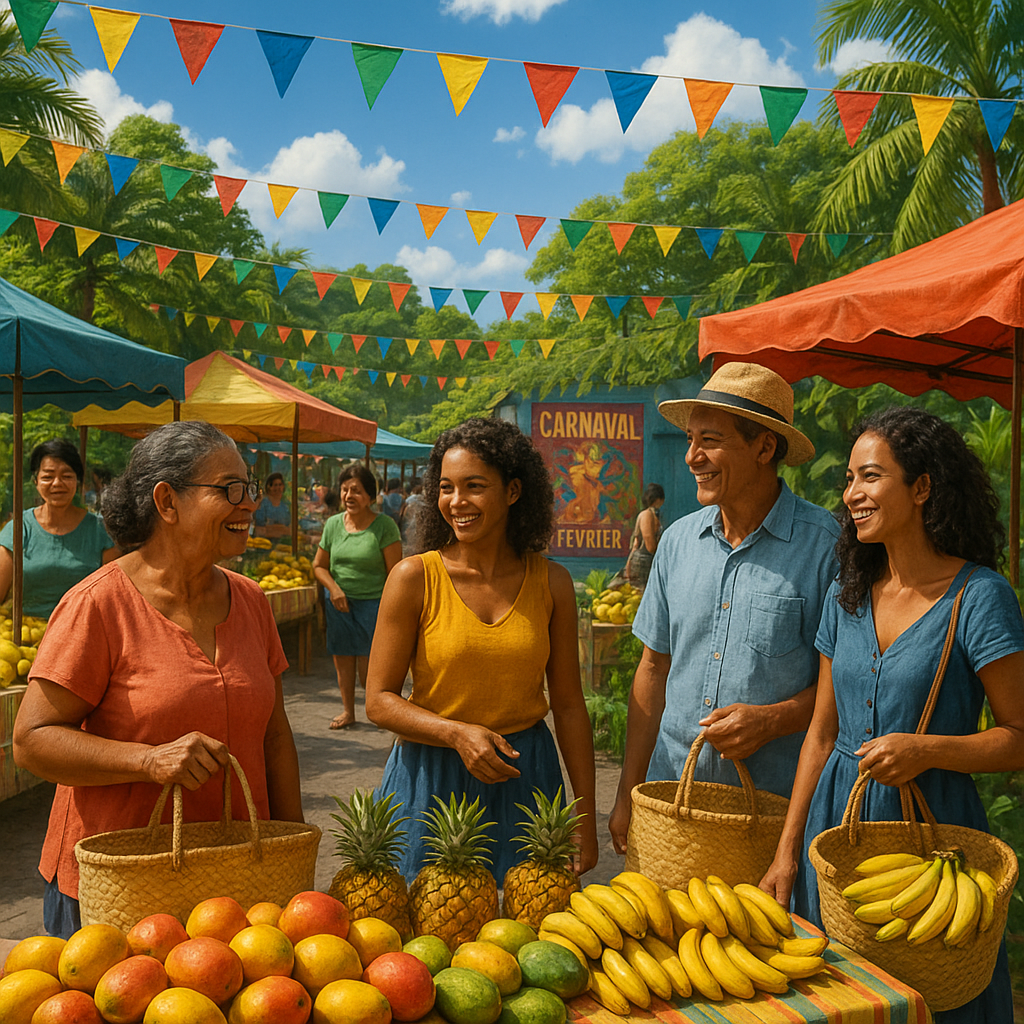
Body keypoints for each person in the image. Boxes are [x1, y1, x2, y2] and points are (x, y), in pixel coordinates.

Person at [760, 407, 1024, 1024]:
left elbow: (1018, 737)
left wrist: (928, 749)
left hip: (932, 840)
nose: (851, 494)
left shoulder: (979, 598)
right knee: (838, 999)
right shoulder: (846, 595)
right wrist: (786, 850)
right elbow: (822, 733)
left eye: (871, 476)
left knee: (933, 994)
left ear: (922, 486)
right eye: (849, 478)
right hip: (836, 826)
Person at [12, 421, 304, 938]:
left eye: (250, 487)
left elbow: (275, 737)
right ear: (167, 502)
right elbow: (32, 741)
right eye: (230, 489)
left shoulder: (252, 602)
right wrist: (148, 760)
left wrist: (294, 857)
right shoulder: (97, 604)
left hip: (235, 883)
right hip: (120, 889)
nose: (249, 504)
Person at [609, 362, 841, 855]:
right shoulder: (677, 542)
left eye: (710, 441)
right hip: (671, 802)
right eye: (691, 439)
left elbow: (845, 687)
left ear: (764, 448)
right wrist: (628, 791)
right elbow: (652, 669)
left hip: (773, 818)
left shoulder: (826, 547)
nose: (692, 456)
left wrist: (772, 720)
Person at [365, 418, 598, 882]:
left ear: (513, 491)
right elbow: (378, 701)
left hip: (526, 777)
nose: (457, 502)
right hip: (430, 778)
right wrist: (455, 734)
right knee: (427, 920)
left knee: (527, 922)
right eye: (446, 487)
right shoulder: (414, 578)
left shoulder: (552, 583)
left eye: (474, 486)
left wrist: (584, 816)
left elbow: (570, 705)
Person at [313, 465, 402, 730]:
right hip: (339, 604)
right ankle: (348, 711)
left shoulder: (384, 526)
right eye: (345, 490)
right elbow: (319, 566)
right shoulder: (333, 525)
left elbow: (395, 574)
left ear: (370, 496)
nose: (349, 496)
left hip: (374, 605)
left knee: (368, 669)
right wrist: (334, 589)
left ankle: (381, 710)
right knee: (342, 658)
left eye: (356, 491)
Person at [0, 440, 118, 618]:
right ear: (36, 481)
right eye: (48, 477)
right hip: (27, 630)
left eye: (67, 476)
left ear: (77, 481)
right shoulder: (18, 528)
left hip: (84, 628)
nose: (57, 483)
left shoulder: (100, 531)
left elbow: (114, 595)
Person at [624, 482, 665, 587]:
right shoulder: (647, 515)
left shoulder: (651, 514)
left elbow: (635, 544)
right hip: (644, 564)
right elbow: (650, 546)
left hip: (644, 561)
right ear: (658, 499)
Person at [252, 472, 290, 540]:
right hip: (264, 541)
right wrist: (280, 529)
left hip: (283, 542)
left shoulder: (285, 506)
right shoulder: (263, 505)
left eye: (280, 485)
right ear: (269, 487)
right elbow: (258, 529)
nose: (278, 488)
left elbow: (289, 528)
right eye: (275, 485)